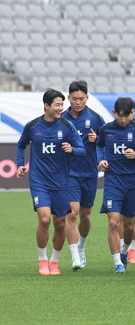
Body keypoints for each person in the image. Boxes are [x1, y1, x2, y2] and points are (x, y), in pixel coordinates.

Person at [16, 89, 85, 275]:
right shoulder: (33, 126)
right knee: (45, 218)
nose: (61, 108)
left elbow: (82, 149)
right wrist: (20, 164)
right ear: (46, 105)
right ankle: (42, 259)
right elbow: (21, 145)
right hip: (39, 181)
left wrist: (72, 149)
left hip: (61, 182)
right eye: (57, 105)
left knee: (60, 222)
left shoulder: (67, 126)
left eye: (62, 105)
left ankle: (54, 261)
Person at [96, 97, 135, 273]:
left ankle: (125, 250)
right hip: (113, 182)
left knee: (129, 225)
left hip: (133, 183)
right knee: (114, 222)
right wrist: (100, 160)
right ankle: (117, 262)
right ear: (113, 113)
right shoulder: (106, 130)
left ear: (133, 113)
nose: (123, 120)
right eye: (119, 116)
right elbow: (99, 146)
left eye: (126, 116)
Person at [62, 80, 105, 271]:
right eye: (74, 99)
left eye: (81, 98)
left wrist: (98, 140)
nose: (78, 102)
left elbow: (106, 141)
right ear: (68, 98)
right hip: (69, 172)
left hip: (89, 172)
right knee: (72, 213)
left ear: (87, 98)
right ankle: (74, 257)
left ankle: (82, 246)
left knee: (86, 215)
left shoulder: (95, 118)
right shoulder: (62, 118)